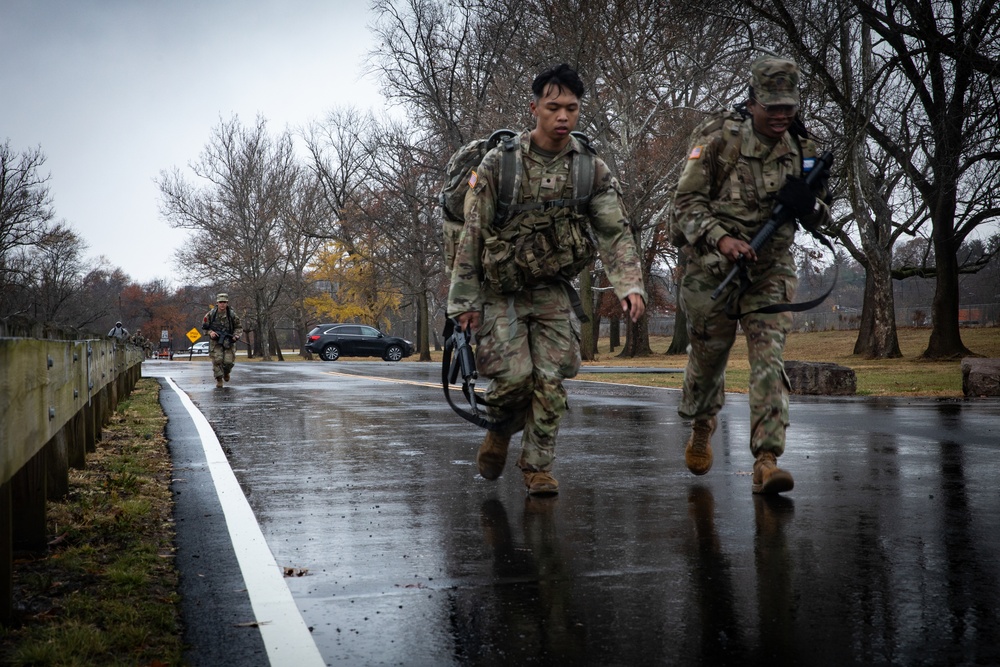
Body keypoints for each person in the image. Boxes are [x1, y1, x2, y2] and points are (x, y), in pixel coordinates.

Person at [448, 63, 647, 495]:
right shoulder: (500, 163)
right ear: (534, 107)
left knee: (551, 380)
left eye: (571, 109)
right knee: (515, 379)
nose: (563, 117)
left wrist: (629, 284)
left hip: (553, 289)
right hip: (501, 291)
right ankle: (500, 431)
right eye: (553, 107)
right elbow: (473, 232)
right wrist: (464, 302)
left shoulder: (589, 168)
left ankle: (537, 467)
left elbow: (615, 231)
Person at [671, 56, 831, 494]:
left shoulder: (806, 149)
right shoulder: (718, 137)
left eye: (788, 108)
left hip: (770, 270)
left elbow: (823, 216)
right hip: (712, 269)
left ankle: (767, 459)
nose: (781, 116)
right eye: (772, 107)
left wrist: (808, 206)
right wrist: (723, 239)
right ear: (753, 100)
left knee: (768, 360)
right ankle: (703, 424)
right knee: (707, 361)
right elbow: (684, 204)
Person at [202, 293, 242, 388]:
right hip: (216, 342)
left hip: (229, 341)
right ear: (217, 303)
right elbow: (204, 327)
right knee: (217, 360)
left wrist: (236, 336)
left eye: (224, 302)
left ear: (227, 303)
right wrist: (210, 332)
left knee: (228, 362)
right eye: (220, 302)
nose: (222, 304)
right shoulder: (211, 314)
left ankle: (226, 372)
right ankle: (219, 379)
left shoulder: (232, 315)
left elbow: (238, 327)